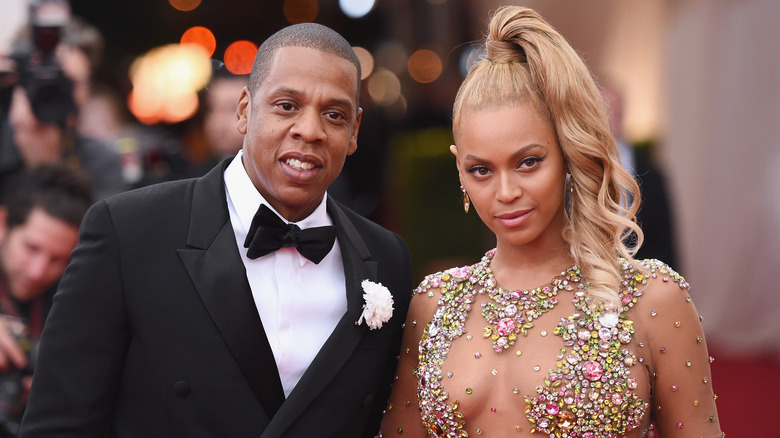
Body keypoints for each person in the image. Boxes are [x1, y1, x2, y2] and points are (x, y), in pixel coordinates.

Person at [19, 22, 412, 438]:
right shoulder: (128, 232)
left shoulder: (386, 259)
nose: (309, 130)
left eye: (334, 115)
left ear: (354, 132)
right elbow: (57, 426)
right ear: (244, 110)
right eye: (286, 106)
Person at [379, 6, 722, 438]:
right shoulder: (432, 305)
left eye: (528, 162)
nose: (505, 193)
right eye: (481, 169)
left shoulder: (654, 300)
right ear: (459, 169)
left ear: (568, 154)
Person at [0, 164, 92, 436]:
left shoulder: (75, 299)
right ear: (3, 223)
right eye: (32, 248)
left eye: (57, 259)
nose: (38, 271)